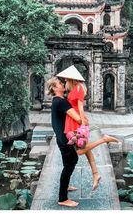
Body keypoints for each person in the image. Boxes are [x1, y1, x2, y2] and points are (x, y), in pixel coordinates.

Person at [56, 65, 119, 191]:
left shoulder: (78, 88)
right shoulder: (74, 88)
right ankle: (96, 174)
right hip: (72, 121)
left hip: (75, 123)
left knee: (79, 151)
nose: (65, 82)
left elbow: (80, 108)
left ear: (72, 79)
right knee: (85, 149)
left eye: (67, 79)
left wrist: (83, 123)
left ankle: (104, 140)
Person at [46, 77, 81, 207]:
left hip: (61, 137)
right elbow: (78, 118)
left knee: (71, 161)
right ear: (54, 88)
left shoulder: (57, 101)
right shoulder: (61, 102)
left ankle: (65, 186)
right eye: (60, 83)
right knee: (70, 163)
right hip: (65, 139)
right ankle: (62, 198)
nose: (62, 84)